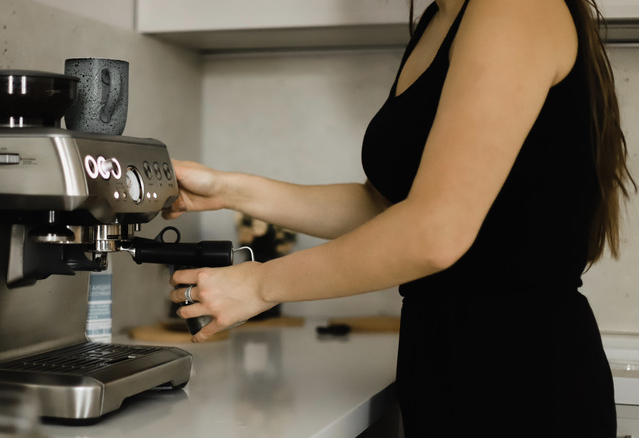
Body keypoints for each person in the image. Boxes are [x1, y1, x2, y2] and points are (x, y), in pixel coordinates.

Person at [163, 0, 633, 435]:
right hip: (447, 361)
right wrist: (228, 190)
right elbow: (389, 208)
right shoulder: (443, 16)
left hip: (521, 375)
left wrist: (259, 286)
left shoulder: (512, 8)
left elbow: (434, 233)